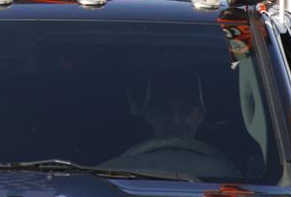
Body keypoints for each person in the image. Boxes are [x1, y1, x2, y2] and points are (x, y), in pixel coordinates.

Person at [100, 71, 239, 177]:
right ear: (149, 116)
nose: (175, 121)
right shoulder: (114, 173)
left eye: (185, 112)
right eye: (164, 112)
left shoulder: (227, 177)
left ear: (200, 115)